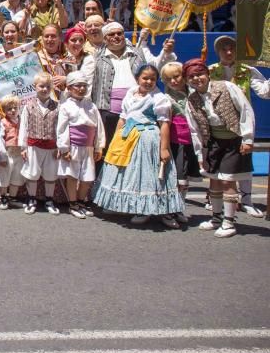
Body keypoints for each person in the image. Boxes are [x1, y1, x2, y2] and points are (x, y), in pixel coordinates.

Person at [94, 64, 183, 228]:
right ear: (137, 79)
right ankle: (126, 205)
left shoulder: (159, 98)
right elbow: (123, 116)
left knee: (147, 174)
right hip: (127, 135)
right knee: (125, 172)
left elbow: (164, 124)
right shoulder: (131, 92)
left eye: (152, 79)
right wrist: (116, 138)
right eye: (145, 78)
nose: (148, 81)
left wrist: (163, 148)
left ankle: (153, 210)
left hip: (147, 138)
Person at [183, 59, 255, 239]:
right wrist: (200, 153)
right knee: (214, 179)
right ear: (187, 80)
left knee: (228, 181)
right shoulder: (191, 100)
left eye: (199, 74)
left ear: (207, 74)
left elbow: (245, 110)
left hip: (233, 140)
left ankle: (229, 222)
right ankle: (216, 217)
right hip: (213, 142)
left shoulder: (227, 87)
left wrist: (247, 138)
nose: (197, 79)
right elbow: (195, 130)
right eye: (191, 76)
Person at [91, 21, 176, 164]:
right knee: (110, 150)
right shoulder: (96, 56)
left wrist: (165, 52)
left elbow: (155, 67)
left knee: (135, 152)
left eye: (120, 33)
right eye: (112, 34)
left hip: (138, 111)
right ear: (105, 39)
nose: (116, 37)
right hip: (107, 111)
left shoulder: (138, 52)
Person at [208, 34, 269, 217]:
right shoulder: (210, 71)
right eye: (224, 49)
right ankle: (216, 199)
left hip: (242, 122)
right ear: (218, 51)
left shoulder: (247, 70)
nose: (228, 52)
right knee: (217, 160)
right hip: (219, 124)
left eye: (232, 48)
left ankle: (247, 200)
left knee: (245, 159)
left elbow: (265, 92)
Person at [56, 71, 105, 219]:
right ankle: (73, 203)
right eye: (78, 86)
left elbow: (98, 127)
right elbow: (62, 129)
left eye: (84, 85)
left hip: (88, 147)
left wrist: (99, 146)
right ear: (69, 88)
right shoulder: (65, 106)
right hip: (73, 147)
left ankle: (80, 200)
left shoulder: (91, 105)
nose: (81, 89)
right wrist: (64, 148)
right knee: (72, 176)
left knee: (87, 177)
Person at [159, 62, 197, 224]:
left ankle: (179, 207)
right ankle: (168, 211)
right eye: (168, 79)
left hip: (192, 141)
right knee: (174, 178)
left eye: (176, 76)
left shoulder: (194, 94)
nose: (173, 81)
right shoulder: (165, 99)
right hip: (175, 143)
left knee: (185, 177)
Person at [18, 73, 60, 215]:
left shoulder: (57, 106)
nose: (44, 89)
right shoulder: (28, 106)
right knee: (32, 173)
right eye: (41, 86)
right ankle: (31, 199)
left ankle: (49, 200)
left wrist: (61, 146)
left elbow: (60, 128)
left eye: (48, 86)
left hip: (51, 146)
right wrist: (23, 147)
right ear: (35, 87)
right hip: (33, 146)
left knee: (50, 174)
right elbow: (23, 127)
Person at [0, 96, 25, 209]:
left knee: (16, 176)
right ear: (4, 110)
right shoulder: (3, 122)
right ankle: (3, 197)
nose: (13, 111)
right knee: (4, 176)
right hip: (8, 153)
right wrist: (2, 156)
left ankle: (12, 198)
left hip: (19, 153)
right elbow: (0, 139)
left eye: (15, 108)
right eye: (9, 109)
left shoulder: (22, 120)